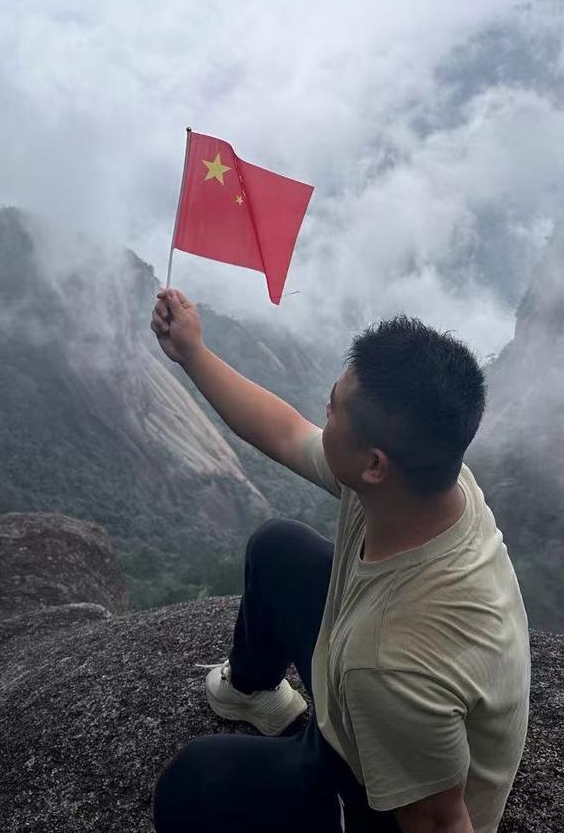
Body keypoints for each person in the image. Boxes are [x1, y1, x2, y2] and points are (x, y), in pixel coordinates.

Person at [150, 288, 530, 833]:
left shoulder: (387, 661)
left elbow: (441, 822)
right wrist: (192, 352)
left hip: (384, 788)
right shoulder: (433, 483)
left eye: (334, 408)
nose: (322, 414)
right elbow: (284, 432)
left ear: (374, 464)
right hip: (376, 708)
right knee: (279, 547)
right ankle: (252, 695)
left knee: (192, 785)